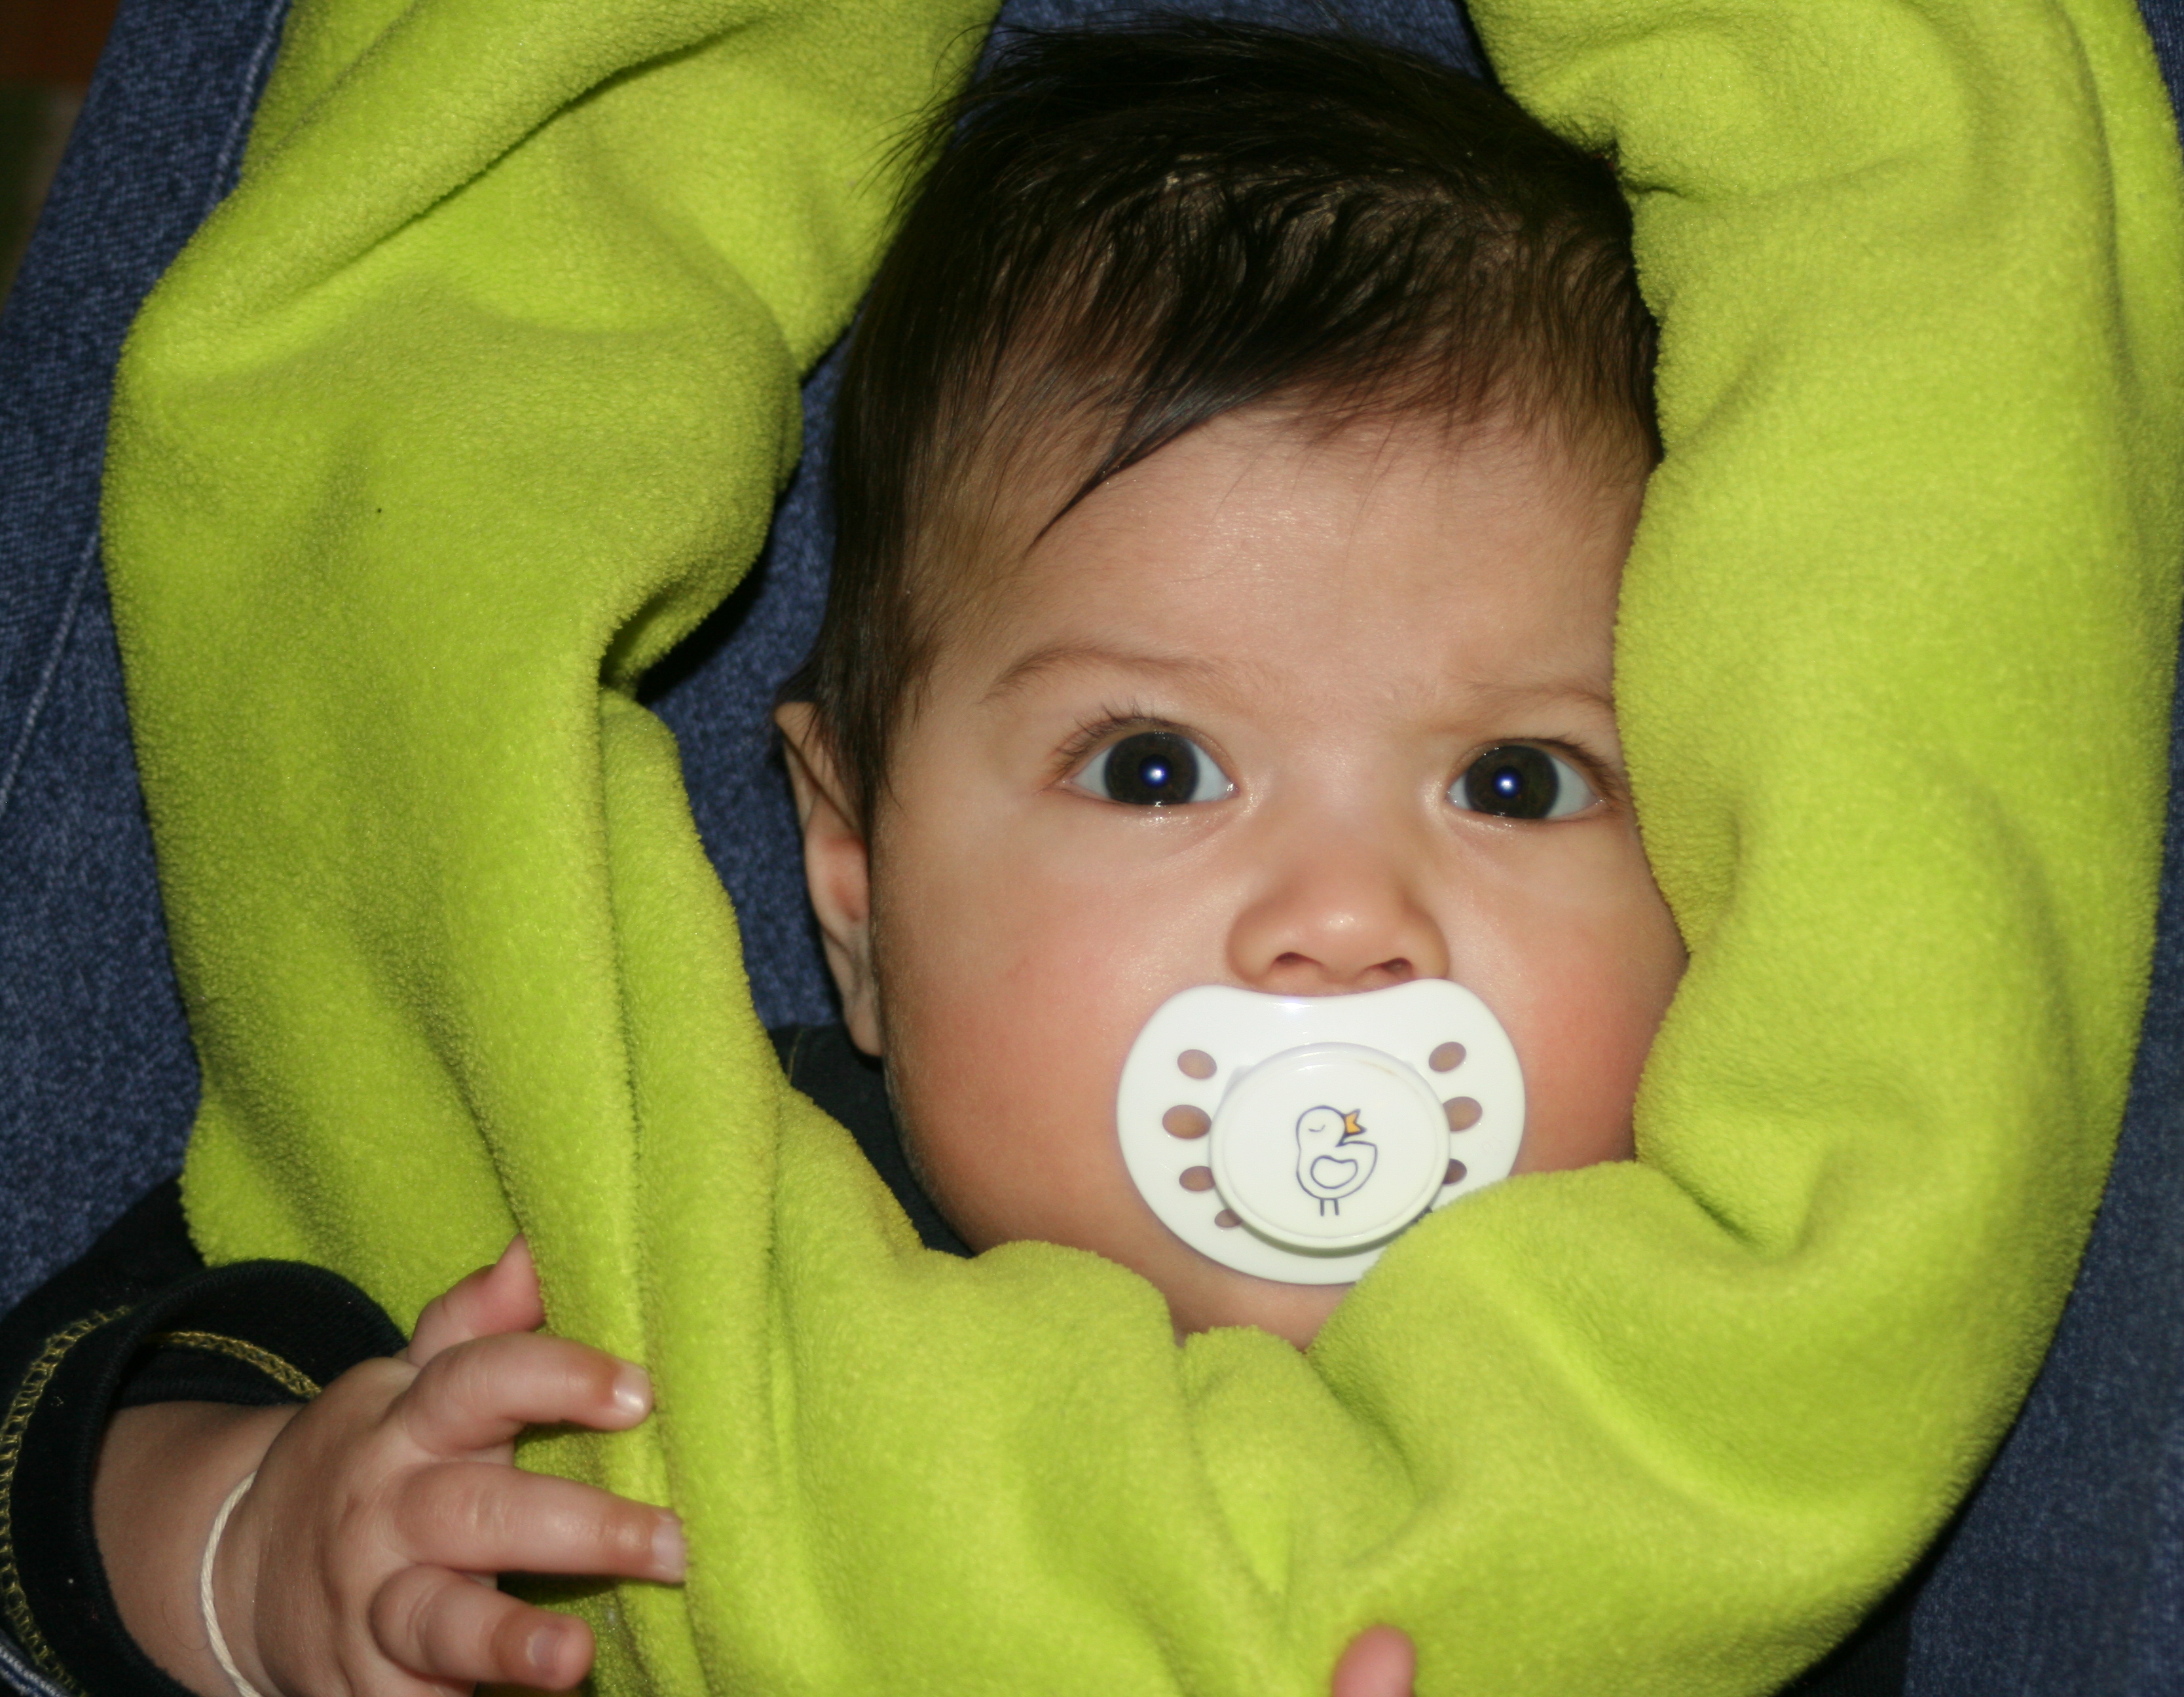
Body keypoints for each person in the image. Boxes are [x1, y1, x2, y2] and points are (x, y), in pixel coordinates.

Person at [13, 21, 1687, 1696]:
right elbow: (65, 1433)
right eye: (1155, 769)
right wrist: (259, 1545)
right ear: (856, 881)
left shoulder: (1723, 1375)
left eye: (1517, 781)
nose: (1343, 918)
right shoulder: (649, 1198)